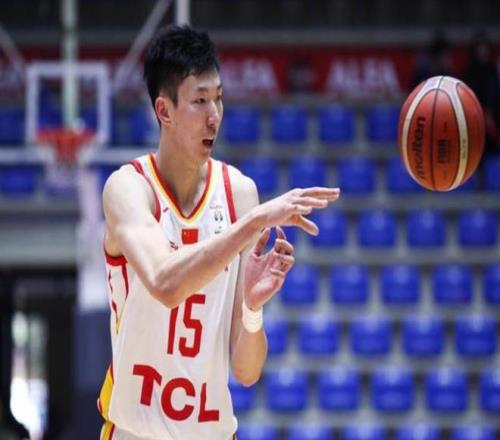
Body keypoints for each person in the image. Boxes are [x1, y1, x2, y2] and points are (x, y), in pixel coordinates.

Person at [98, 25, 340, 440]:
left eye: (219, 98)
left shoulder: (238, 194)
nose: (214, 115)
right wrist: (253, 223)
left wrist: (252, 308)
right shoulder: (129, 189)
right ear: (164, 111)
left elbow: (246, 371)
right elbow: (165, 282)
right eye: (200, 100)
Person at [462, 30, 500, 155]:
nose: (483, 51)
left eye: (485, 47)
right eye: (480, 47)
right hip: (475, 120)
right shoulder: (469, 71)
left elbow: (495, 93)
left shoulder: (492, 70)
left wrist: (491, 114)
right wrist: (483, 114)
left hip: (494, 120)